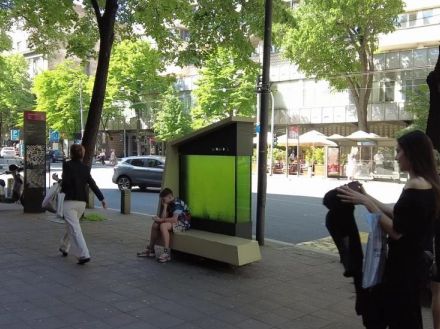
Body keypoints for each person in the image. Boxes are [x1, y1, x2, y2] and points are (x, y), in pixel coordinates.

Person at [337, 130, 440, 329]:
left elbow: (396, 231)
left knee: (401, 317)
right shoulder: (428, 184)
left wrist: (366, 202)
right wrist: (366, 195)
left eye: (398, 151)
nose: (395, 156)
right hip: (415, 264)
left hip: (403, 266)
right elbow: (398, 213)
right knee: (408, 314)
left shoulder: (415, 185)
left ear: (411, 153)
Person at [60, 144, 107, 265]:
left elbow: (65, 182)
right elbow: (92, 183)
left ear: (71, 153)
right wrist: (101, 198)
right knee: (72, 225)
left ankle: (84, 254)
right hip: (82, 202)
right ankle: (64, 247)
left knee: (74, 228)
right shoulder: (85, 168)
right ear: (82, 154)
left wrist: (59, 182)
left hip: (69, 201)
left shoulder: (67, 165)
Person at [137, 188, 190, 263]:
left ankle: (166, 253)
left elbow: (174, 219)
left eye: (163, 199)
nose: (162, 201)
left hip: (183, 224)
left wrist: (161, 220)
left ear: (169, 196)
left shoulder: (178, 203)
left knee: (163, 226)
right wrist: (165, 206)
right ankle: (151, 250)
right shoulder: (168, 203)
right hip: (175, 222)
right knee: (155, 224)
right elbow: (163, 217)